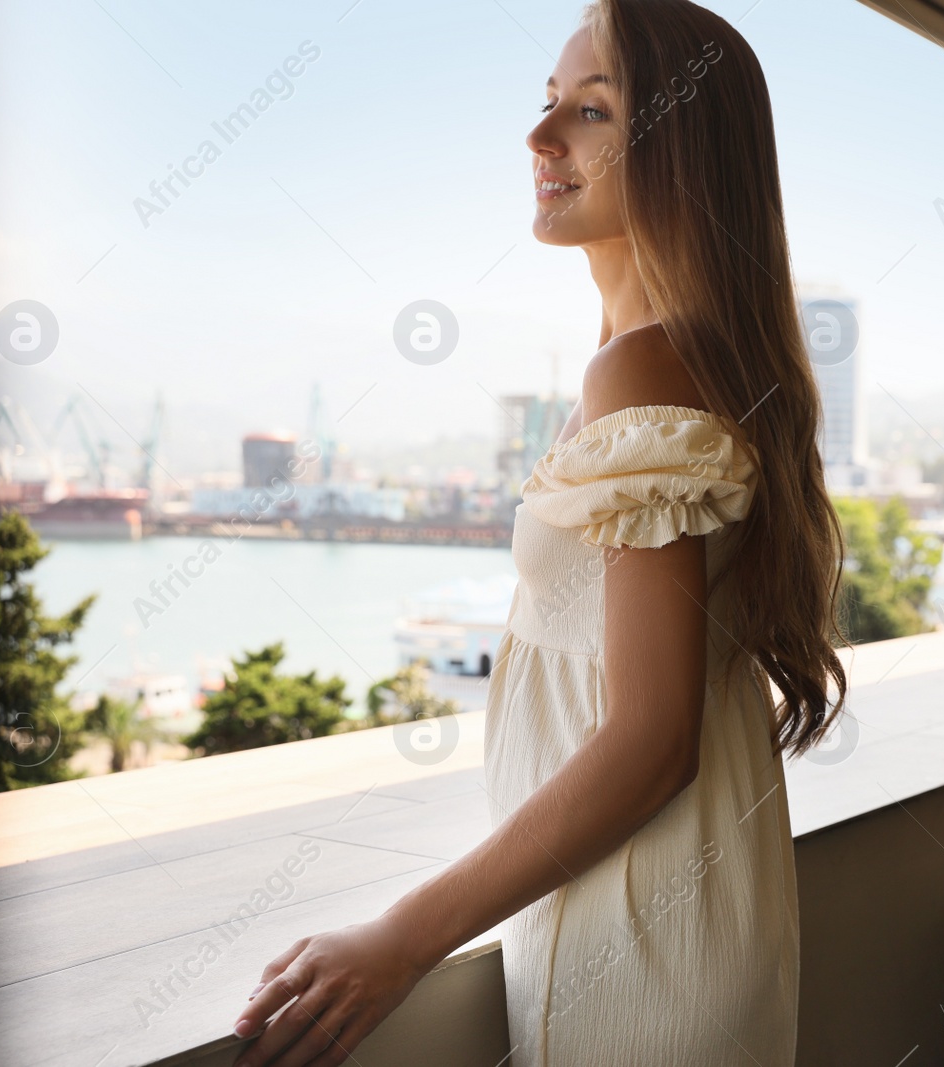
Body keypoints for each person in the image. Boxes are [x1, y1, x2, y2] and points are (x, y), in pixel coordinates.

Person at [230, 2, 846, 1063]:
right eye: (546, 102)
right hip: (662, 911)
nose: (540, 136)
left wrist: (401, 935)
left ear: (682, 151)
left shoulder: (644, 367)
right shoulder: (688, 358)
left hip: (637, 929)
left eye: (592, 110)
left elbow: (652, 740)